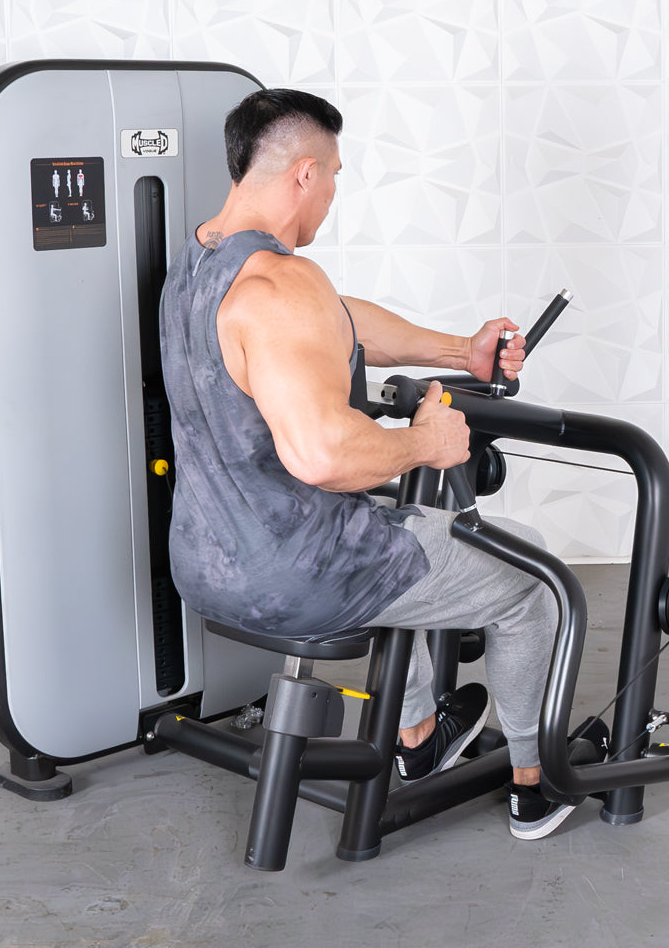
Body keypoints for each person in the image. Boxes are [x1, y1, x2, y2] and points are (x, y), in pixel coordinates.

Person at [160, 88, 578, 840]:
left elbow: (337, 321)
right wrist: (429, 443)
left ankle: (418, 741)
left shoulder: (199, 266)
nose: (333, 194)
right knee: (536, 575)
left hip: (203, 567)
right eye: (336, 175)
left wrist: (462, 353)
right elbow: (321, 456)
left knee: (406, 524)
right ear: (304, 174)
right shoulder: (285, 286)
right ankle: (535, 779)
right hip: (299, 575)